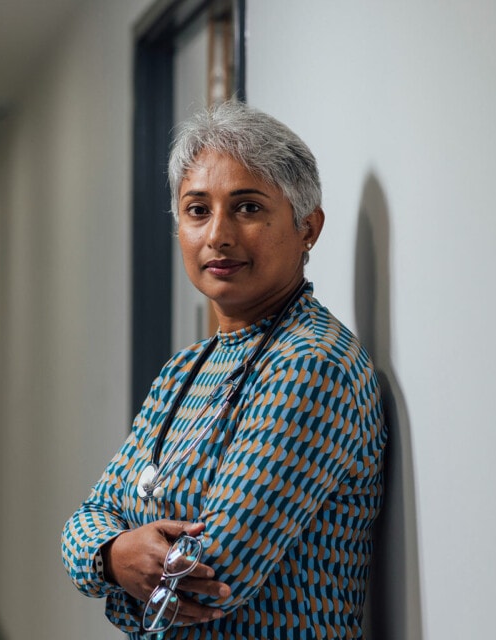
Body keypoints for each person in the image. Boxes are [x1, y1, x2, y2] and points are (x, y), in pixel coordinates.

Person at [61, 100, 387, 639]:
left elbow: (208, 578)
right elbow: (87, 519)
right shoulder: (185, 370)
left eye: (248, 208)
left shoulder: (312, 366)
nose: (218, 235)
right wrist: (112, 554)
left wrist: (117, 576)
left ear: (308, 227)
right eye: (197, 210)